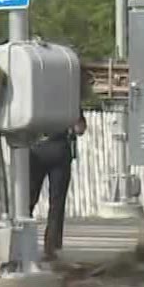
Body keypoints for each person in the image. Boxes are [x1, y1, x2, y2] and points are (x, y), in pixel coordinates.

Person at [28, 65, 91, 262]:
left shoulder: (35, 99)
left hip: (36, 149)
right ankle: (51, 246)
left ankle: (23, 243)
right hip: (59, 150)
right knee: (57, 202)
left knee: (28, 198)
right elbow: (80, 128)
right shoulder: (68, 101)